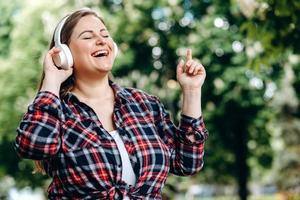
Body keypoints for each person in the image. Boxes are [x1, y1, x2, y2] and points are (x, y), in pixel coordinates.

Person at [14, 8, 209, 200]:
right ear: (64, 53)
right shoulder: (57, 112)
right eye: (88, 36)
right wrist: (52, 81)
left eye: (105, 34)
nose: (101, 40)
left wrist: (191, 91)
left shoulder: (145, 105)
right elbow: (33, 145)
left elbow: (187, 163)